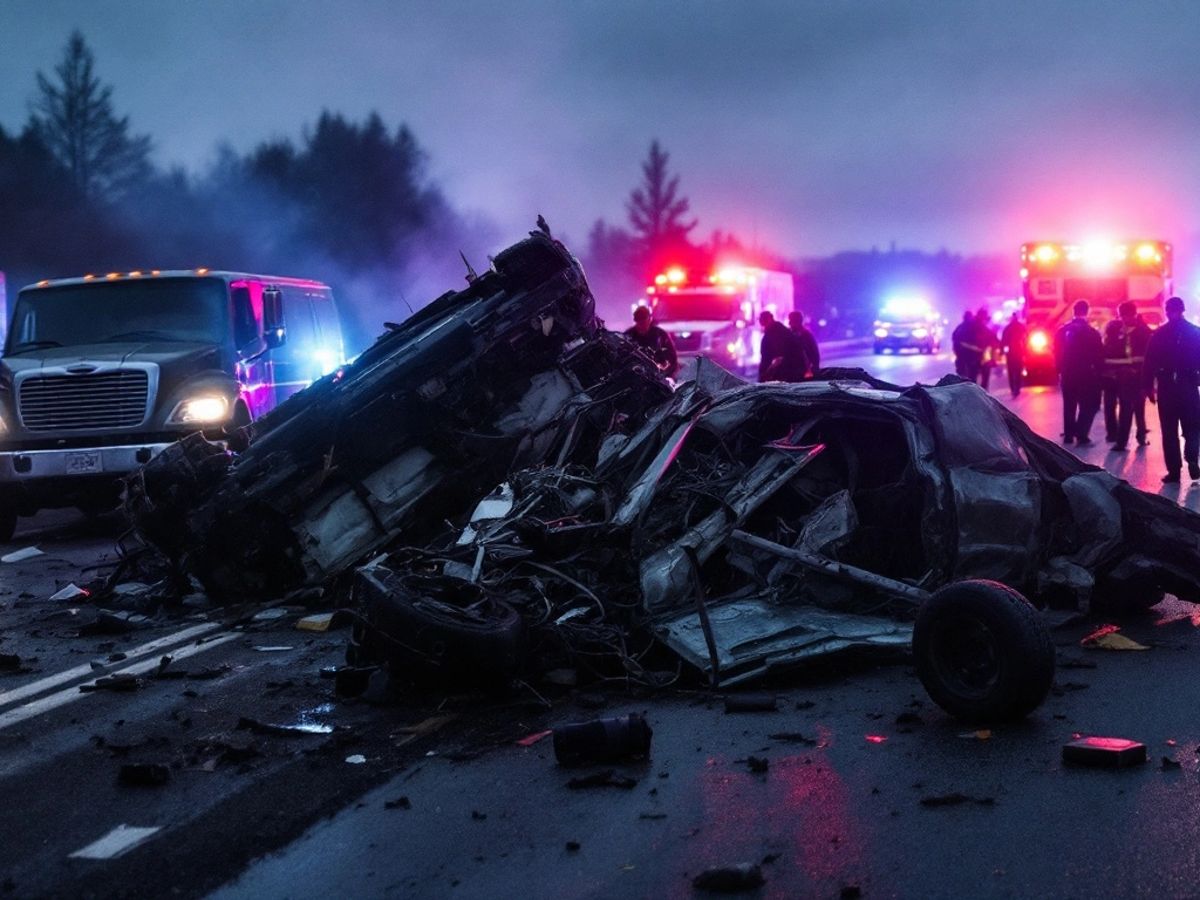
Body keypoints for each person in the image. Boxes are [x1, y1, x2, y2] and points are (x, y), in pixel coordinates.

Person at [1143, 296, 1200, 483]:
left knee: (1169, 431)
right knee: (1192, 426)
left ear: (1167, 311)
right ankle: (1192, 457)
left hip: (1167, 388)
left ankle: (1174, 471)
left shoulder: (1159, 334)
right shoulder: (1195, 332)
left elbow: (1149, 362)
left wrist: (1148, 387)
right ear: (1183, 310)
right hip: (1188, 386)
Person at [1102, 302, 1152, 452]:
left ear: (1134, 314)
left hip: (1139, 376)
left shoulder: (1144, 331)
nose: (1124, 319)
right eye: (1122, 316)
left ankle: (1140, 435)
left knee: (1139, 407)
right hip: (1122, 377)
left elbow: (1148, 357)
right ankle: (1122, 441)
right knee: (1126, 408)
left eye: (1126, 316)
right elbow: (1108, 351)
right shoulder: (1115, 330)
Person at [1054, 299, 1104, 446]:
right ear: (1087, 312)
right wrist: (1099, 373)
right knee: (1087, 405)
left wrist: (1059, 370)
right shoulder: (1091, 332)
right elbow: (1098, 355)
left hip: (1067, 373)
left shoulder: (1062, 331)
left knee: (1069, 404)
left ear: (1074, 312)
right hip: (1086, 374)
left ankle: (1068, 435)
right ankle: (1081, 434)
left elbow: (1056, 353)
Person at [624, 305, 679, 378]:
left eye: (644, 321)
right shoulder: (628, 336)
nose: (642, 325)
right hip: (635, 374)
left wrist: (664, 370)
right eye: (639, 322)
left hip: (658, 374)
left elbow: (672, 356)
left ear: (649, 319)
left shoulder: (660, 335)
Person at [758, 310, 809, 382]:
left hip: (791, 370)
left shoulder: (774, 333)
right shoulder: (779, 330)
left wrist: (763, 374)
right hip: (794, 368)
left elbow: (767, 357)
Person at [1001, 313, 1027, 398]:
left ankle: (1013, 388)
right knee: (1018, 371)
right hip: (1018, 352)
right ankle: (1017, 388)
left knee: (1011, 372)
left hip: (1011, 353)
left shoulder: (1007, 328)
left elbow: (1003, 341)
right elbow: (1025, 338)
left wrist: (1002, 351)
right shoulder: (1021, 327)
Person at [787, 310, 820, 377]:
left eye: (791, 320)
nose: (789, 323)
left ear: (797, 321)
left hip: (803, 372)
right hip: (795, 372)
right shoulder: (791, 335)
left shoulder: (806, 335)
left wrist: (814, 369)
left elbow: (814, 355)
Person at [973, 308, 999, 390]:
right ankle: (982, 394)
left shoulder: (973, 327)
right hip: (982, 358)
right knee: (984, 379)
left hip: (975, 358)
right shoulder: (984, 329)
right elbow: (994, 341)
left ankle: (977, 394)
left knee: (973, 378)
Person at [952, 311, 982, 382]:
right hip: (972, 357)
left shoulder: (959, 328)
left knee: (963, 377)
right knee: (972, 378)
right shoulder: (975, 327)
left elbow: (954, 341)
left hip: (962, 357)